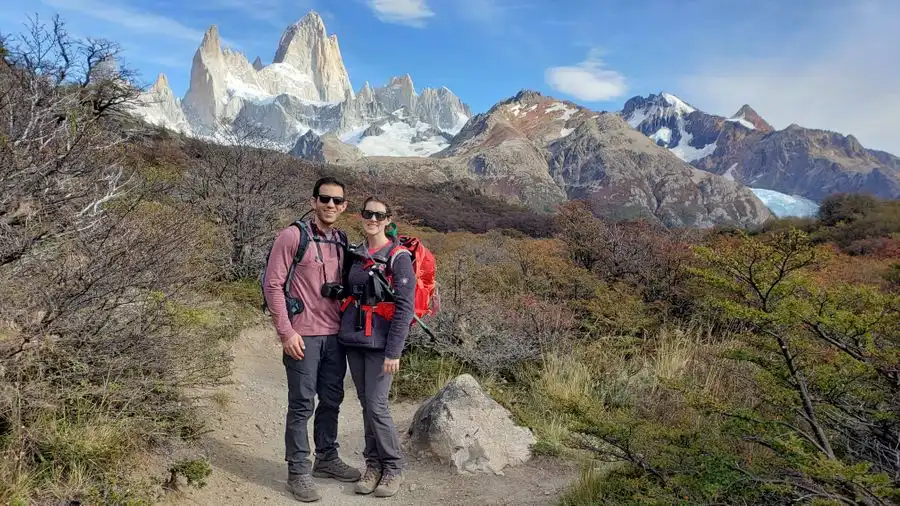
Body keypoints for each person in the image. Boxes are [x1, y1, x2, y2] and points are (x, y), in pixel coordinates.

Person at [262, 176, 361, 502]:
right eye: (324, 199)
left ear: (344, 206)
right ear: (313, 201)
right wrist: (286, 332)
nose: (330, 205)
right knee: (302, 404)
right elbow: (272, 285)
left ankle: (327, 458)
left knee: (331, 401)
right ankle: (298, 470)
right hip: (302, 337)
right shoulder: (293, 235)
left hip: (335, 337)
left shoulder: (341, 239)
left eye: (336, 200)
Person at [338, 197, 415, 498]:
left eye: (378, 215)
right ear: (362, 217)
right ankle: (373, 465)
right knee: (366, 403)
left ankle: (393, 466)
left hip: (381, 344)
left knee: (377, 404)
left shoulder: (398, 257)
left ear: (388, 220)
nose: (372, 219)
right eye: (368, 214)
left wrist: (394, 351)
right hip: (355, 339)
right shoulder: (356, 254)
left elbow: (405, 307)